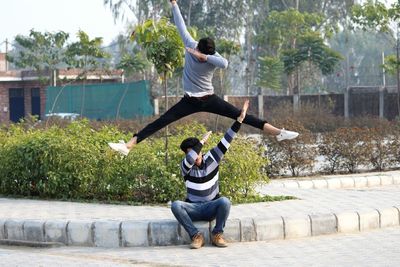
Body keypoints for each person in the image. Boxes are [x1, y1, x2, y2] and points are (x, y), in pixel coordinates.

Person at [108, 0, 298, 156]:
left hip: (210, 99)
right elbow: (181, 25)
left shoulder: (212, 59)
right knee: (160, 122)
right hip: (189, 101)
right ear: (197, 46)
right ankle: (128, 145)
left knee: (244, 116)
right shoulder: (190, 44)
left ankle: (279, 132)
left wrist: (204, 57)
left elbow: (225, 64)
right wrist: (174, 4)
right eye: (201, 53)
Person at [172, 100, 249, 249]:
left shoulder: (212, 157)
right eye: (192, 153)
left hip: (211, 207)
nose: (196, 157)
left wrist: (239, 120)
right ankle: (196, 236)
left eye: (197, 152)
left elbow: (227, 139)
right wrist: (201, 141)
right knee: (176, 205)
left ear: (202, 151)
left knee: (225, 201)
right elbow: (190, 158)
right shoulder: (185, 166)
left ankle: (217, 234)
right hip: (193, 208)